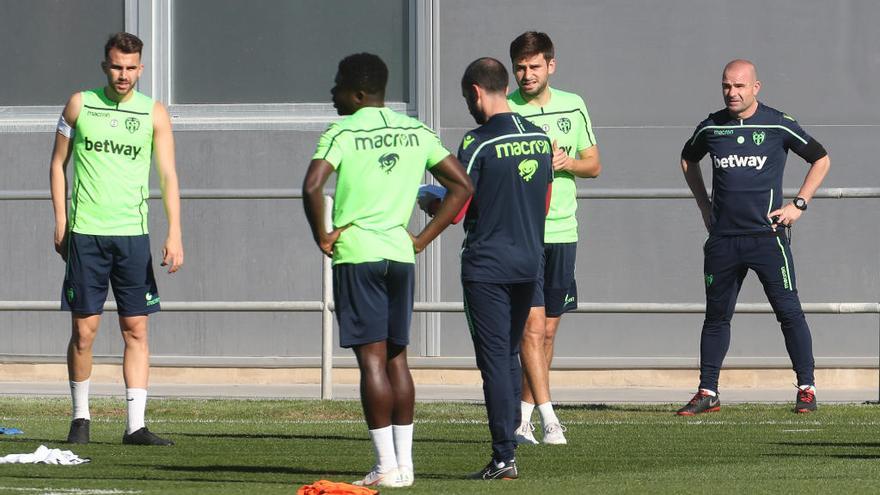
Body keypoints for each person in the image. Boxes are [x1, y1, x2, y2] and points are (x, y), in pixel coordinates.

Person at [302, 53, 472, 488]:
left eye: (338, 85)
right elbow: (462, 186)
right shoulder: (417, 131)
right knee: (398, 358)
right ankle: (405, 466)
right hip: (400, 253)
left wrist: (323, 235)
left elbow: (311, 185)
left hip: (358, 255)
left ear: (358, 94)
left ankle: (384, 466)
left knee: (371, 363)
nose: (332, 92)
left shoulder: (341, 129)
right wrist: (421, 238)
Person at [49, 32, 183, 445]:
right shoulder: (79, 104)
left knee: (136, 330)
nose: (123, 75)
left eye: (130, 68)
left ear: (140, 69)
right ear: (104, 66)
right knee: (84, 331)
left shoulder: (154, 113)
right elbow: (57, 165)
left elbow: (168, 175)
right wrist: (60, 220)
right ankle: (80, 419)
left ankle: (135, 426)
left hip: (132, 238)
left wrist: (175, 231)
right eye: (116, 67)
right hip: (87, 233)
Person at [678, 59, 830, 415]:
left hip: (767, 237)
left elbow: (820, 159)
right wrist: (704, 206)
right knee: (716, 317)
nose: (733, 93)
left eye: (740, 86)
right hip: (724, 240)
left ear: (756, 87)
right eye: (727, 86)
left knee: (789, 312)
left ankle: (806, 388)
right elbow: (688, 159)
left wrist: (799, 205)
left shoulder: (777, 123)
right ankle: (708, 391)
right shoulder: (711, 127)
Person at [458, 57, 553, 480]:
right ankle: (509, 448)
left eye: (467, 98)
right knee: (510, 354)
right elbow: (546, 199)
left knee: (495, 359)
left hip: (488, 266)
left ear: (477, 92)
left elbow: (458, 207)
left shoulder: (476, 142)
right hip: (529, 260)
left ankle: (503, 456)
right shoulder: (538, 138)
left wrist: (429, 203)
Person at [506, 31, 601, 445]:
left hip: (564, 232)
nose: (527, 75)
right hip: (524, 235)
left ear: (551, 66)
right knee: (530, 328)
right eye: (520, 68)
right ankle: (549, 418)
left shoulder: (573, 105)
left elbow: (594, 164)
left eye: (534, 67)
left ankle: (523, 417)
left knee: (547, 332)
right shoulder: (506, 110)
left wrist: (567, 163)